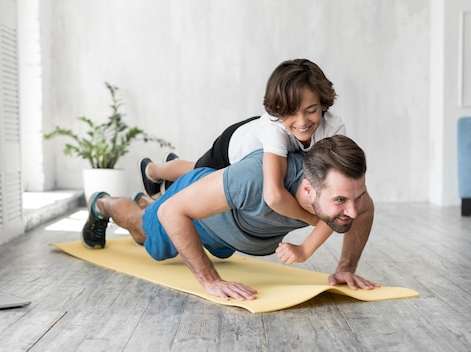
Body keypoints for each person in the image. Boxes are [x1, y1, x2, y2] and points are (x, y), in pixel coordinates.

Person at [82, 135, 378, 301]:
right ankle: (104, 204)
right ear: (307, 188)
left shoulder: (341, 191)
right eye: (340, 201)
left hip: (229, 234)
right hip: (196, 210)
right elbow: (172, 213)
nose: (351, 210)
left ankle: (147, 199)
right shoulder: (254, 179)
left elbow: (364, 210)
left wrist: (346, 267)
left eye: (357, 196)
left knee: (215, 247)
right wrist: (210, 280)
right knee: (144, 234)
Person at [140, 58, 345, 263]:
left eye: (311, 110)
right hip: (231, 149)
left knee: (196, 175)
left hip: (255, 155)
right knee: (196, 173)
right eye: (291, 112)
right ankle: (153, 170)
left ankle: (164, 173)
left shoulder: (333, 129)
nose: (302, 122)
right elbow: (274, 196)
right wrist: (314, 219)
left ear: (323, 104)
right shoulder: (274, 130)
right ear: (279, 111)